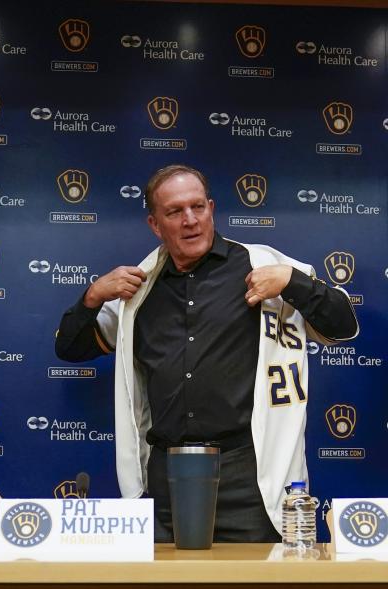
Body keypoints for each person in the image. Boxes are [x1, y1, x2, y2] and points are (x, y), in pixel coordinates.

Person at [54, 164, 357, 542]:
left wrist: (292, 282)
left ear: (212, 208)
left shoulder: (262, 265)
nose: (190, 220)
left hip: (249, 478)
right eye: (175, 212)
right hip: (166, 479)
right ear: (154, 224)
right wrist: (92, 296)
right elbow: (70, 347)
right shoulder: (140, 290)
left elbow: (343, 325)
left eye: (198, 206)